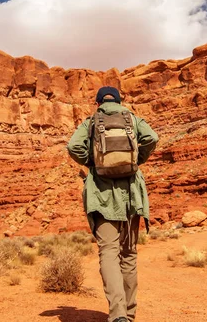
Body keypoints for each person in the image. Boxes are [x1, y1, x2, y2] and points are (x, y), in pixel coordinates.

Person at [67, 86, 159, 322]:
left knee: (108, 252)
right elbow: (152, 138)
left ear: (97, 103)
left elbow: (73, 146)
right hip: (131, 194)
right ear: (119, 101)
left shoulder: (91, 122)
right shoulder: (132, 118)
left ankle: (117, 315)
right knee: (128, 254)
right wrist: (136, 160)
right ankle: (128, 315)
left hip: (102, 195)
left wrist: (93, 163)